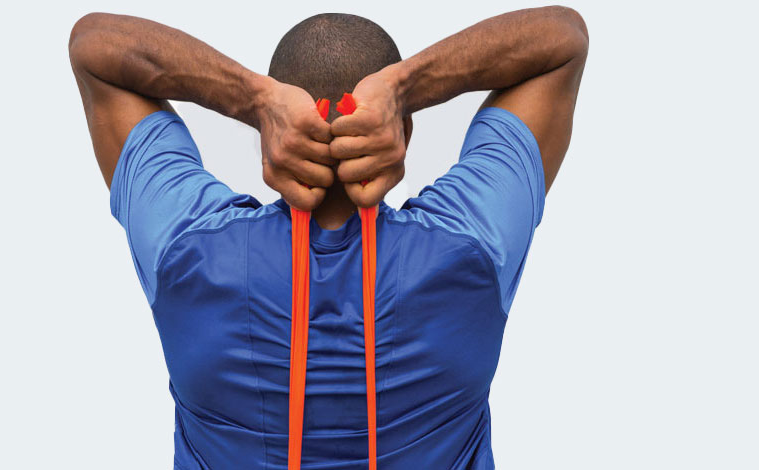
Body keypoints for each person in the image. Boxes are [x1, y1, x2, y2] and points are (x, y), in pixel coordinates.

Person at [68, 7, 587, 469]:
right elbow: (561, 41)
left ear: (268, 138)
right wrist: (403, 87)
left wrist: (254, 98)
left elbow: (95, 45)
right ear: (401, 133)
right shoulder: (471, 245)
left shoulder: (186, 248)